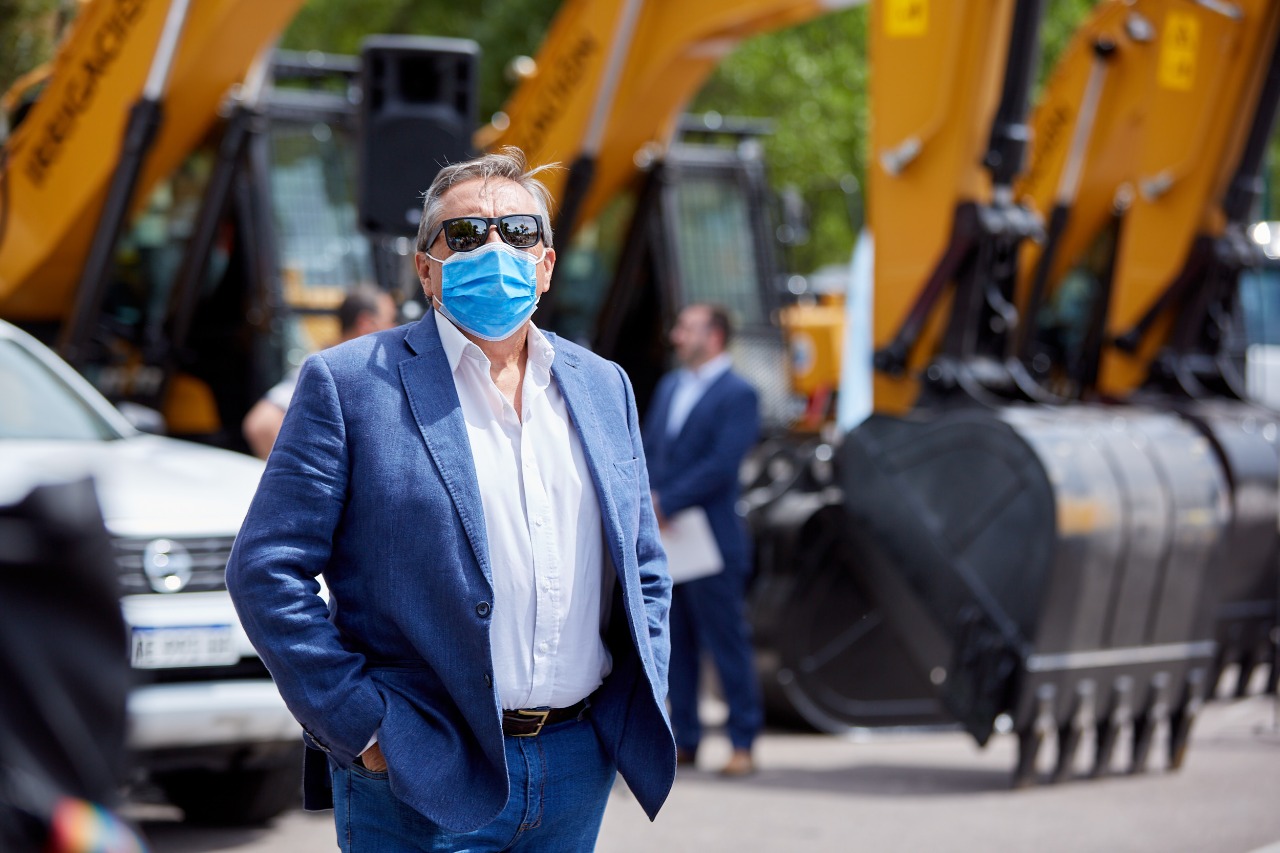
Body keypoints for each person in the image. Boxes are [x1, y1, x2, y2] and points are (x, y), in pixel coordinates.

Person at [225, 147, 675, 851]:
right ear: (426, 269)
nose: (494, 250)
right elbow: (265, 569)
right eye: (464, 234)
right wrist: (362, 726)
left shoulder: (601, 384)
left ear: (547, 264)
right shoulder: (349, 384)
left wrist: (629, 702)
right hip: (420, 769)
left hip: (575, 765)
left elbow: (643, 563)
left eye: (518, 232)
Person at [642, 303, 763, 777]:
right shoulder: (671, 386)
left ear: (713, 337)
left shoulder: (739, 393)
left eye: (686, 328)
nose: (676, 336)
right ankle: (686, 738)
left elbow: (722, 464)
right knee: (677, 644)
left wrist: (666, 502)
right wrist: (647, 500)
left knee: (726, 643)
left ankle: (743, 742)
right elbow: (650, 448)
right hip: (671, 540)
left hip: (712, 541)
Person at [241, 285, 397, 459]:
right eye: (390, 321)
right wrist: (305, 469)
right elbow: (262, 425)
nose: (396, 328)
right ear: (365, 324)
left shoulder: (355, 368)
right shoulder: (324, 368)